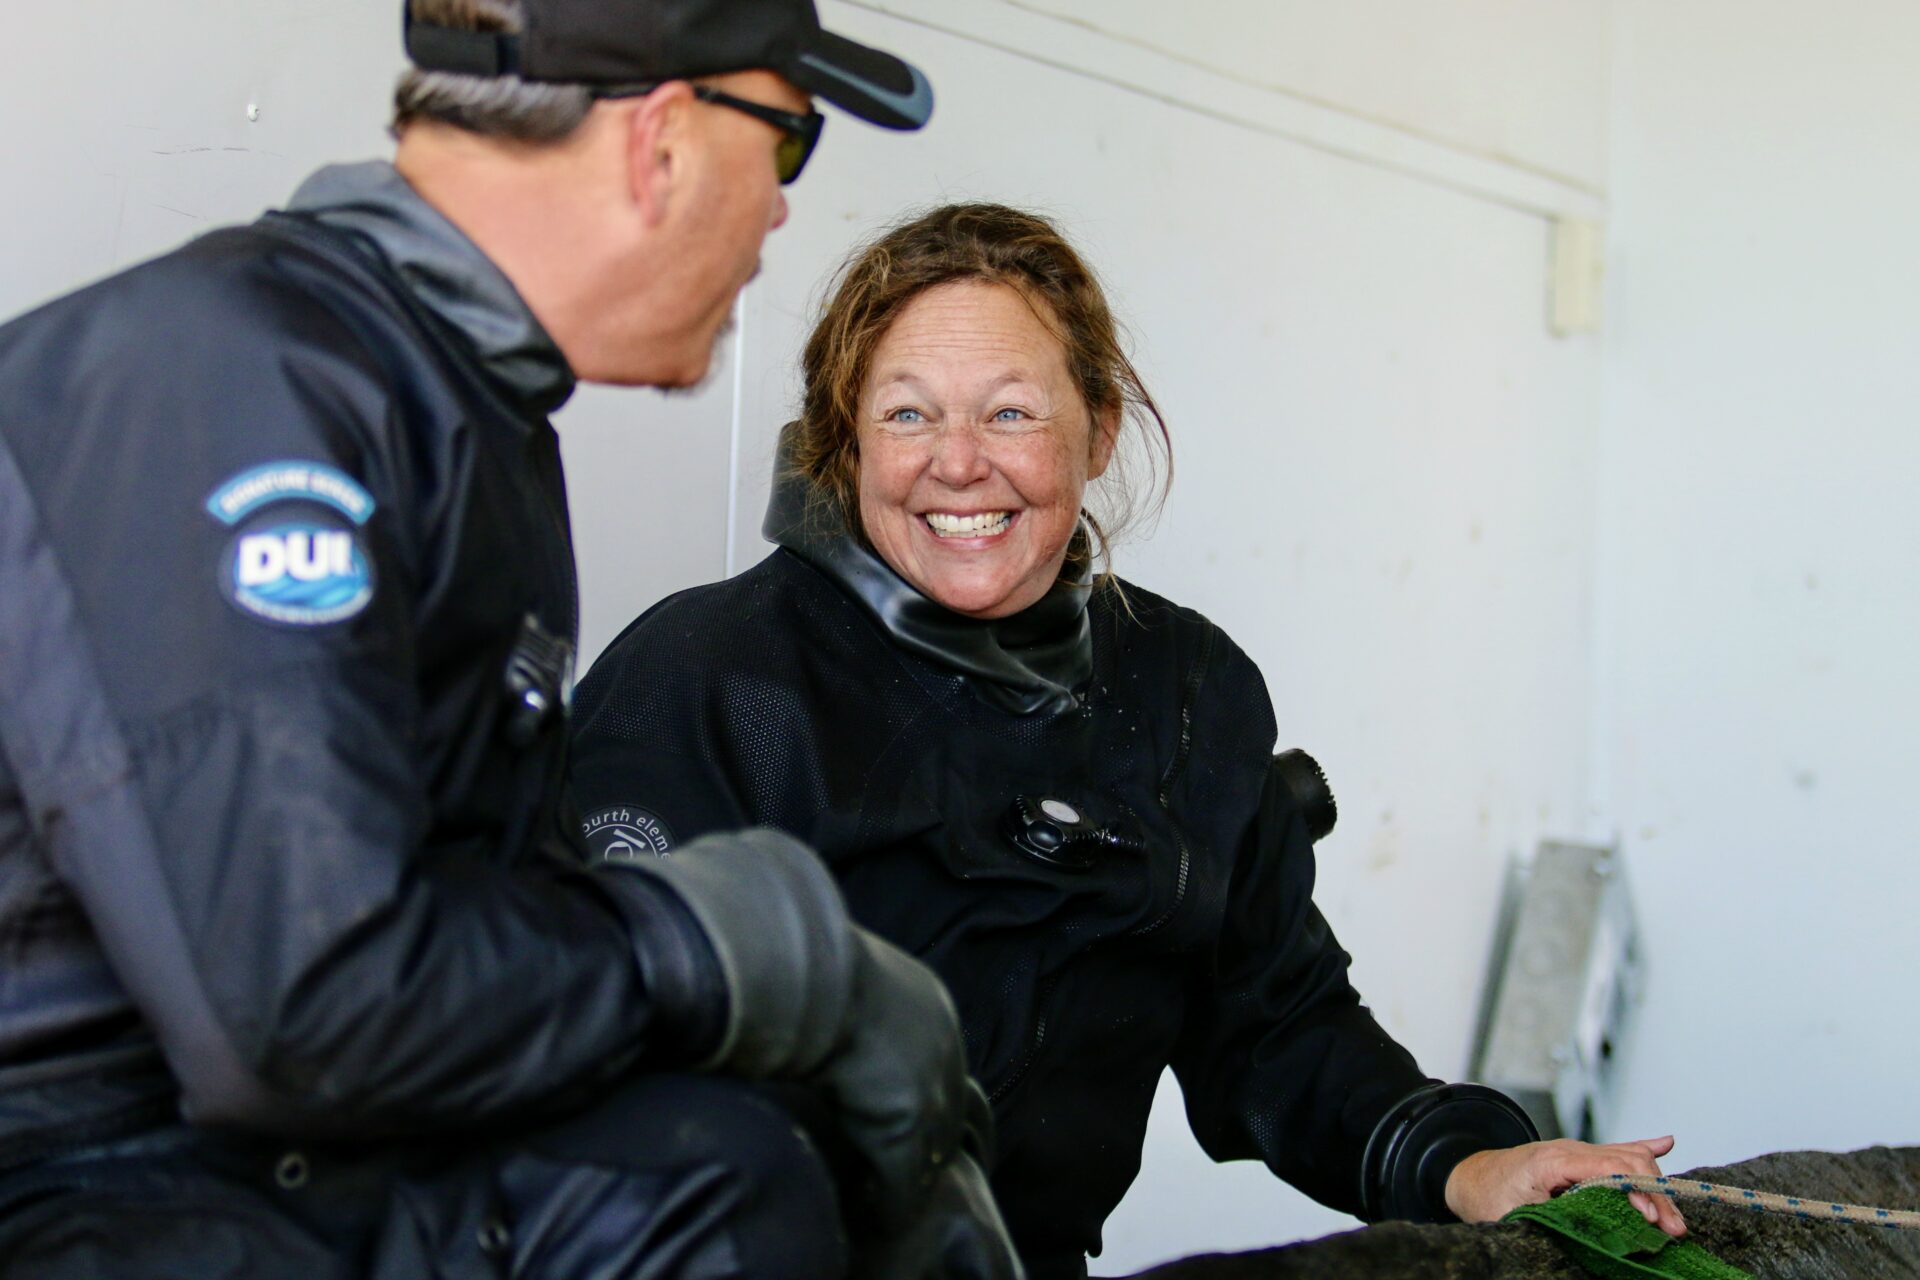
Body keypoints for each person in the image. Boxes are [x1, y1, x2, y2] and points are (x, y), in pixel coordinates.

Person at [0, 4, 1019, 1278]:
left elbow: (472, 929)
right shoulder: (229, 377)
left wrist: (804, 1046)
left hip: (264, 1159)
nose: (777, 210)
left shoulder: (462, 406)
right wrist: (750, 949)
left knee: (745, 1158)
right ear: (661, 140)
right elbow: (305, 1011)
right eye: (786, 143)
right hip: (93, 1180)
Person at [570, 202, 1689, 1279]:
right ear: (844, 439)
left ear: (1098, 429)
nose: (957, 462)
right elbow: (591, 1085)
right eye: (907, 414)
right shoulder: (705, 680)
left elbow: (1279, 1026)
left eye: (1011, 412)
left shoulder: (1183, 690)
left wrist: (1466, 1162)